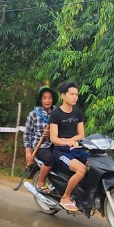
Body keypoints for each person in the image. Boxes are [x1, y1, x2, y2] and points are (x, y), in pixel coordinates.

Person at [48, 81, 88, 212]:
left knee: (95, 163)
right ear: (63, 96)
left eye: (76, 94)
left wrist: (71, 140)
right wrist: (66, 142)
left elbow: (81, 134)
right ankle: (65, 197)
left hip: (76, 148)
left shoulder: (78, 113)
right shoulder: (55, 114)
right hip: (61, 151)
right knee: (81, 169)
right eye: (72, 94)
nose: (75, 97)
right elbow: (54, 139)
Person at [22, 86, 57, 191]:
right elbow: (27, 134)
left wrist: (52, 133)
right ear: (40, 100)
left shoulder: (57, 113)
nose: (47, 100)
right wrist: (28, 152)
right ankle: (40, 182)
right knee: (49, 159)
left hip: (56, 143)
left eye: (50, 98)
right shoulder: (33, 114)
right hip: (41, 146)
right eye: (44, 98)